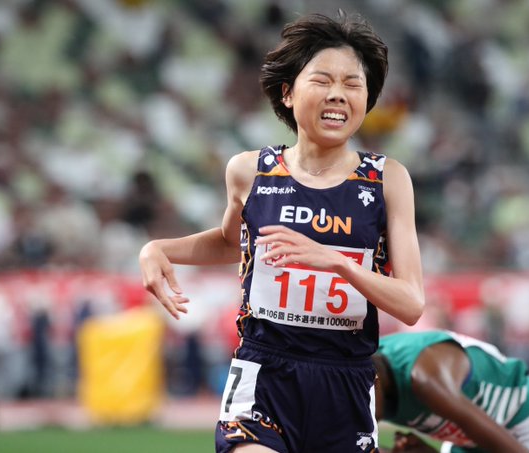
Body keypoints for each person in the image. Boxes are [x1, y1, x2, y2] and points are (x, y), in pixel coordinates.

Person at [139, 11, 425, 453]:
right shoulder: (249, 171)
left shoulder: (388, 180)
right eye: (322, 80)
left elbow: (411, 303)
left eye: (353, 84)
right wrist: (159, 249)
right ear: (288, 93)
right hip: (264, 373)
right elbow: (232, 243)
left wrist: (337, 262)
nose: (338, 94)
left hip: (345, 383)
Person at [372, 330, 529, 453]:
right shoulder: (363, 374)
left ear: (375, 381)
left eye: (359, 404)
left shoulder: (426, 378)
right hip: (468, 440)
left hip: (522, 422)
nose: (358, 416)